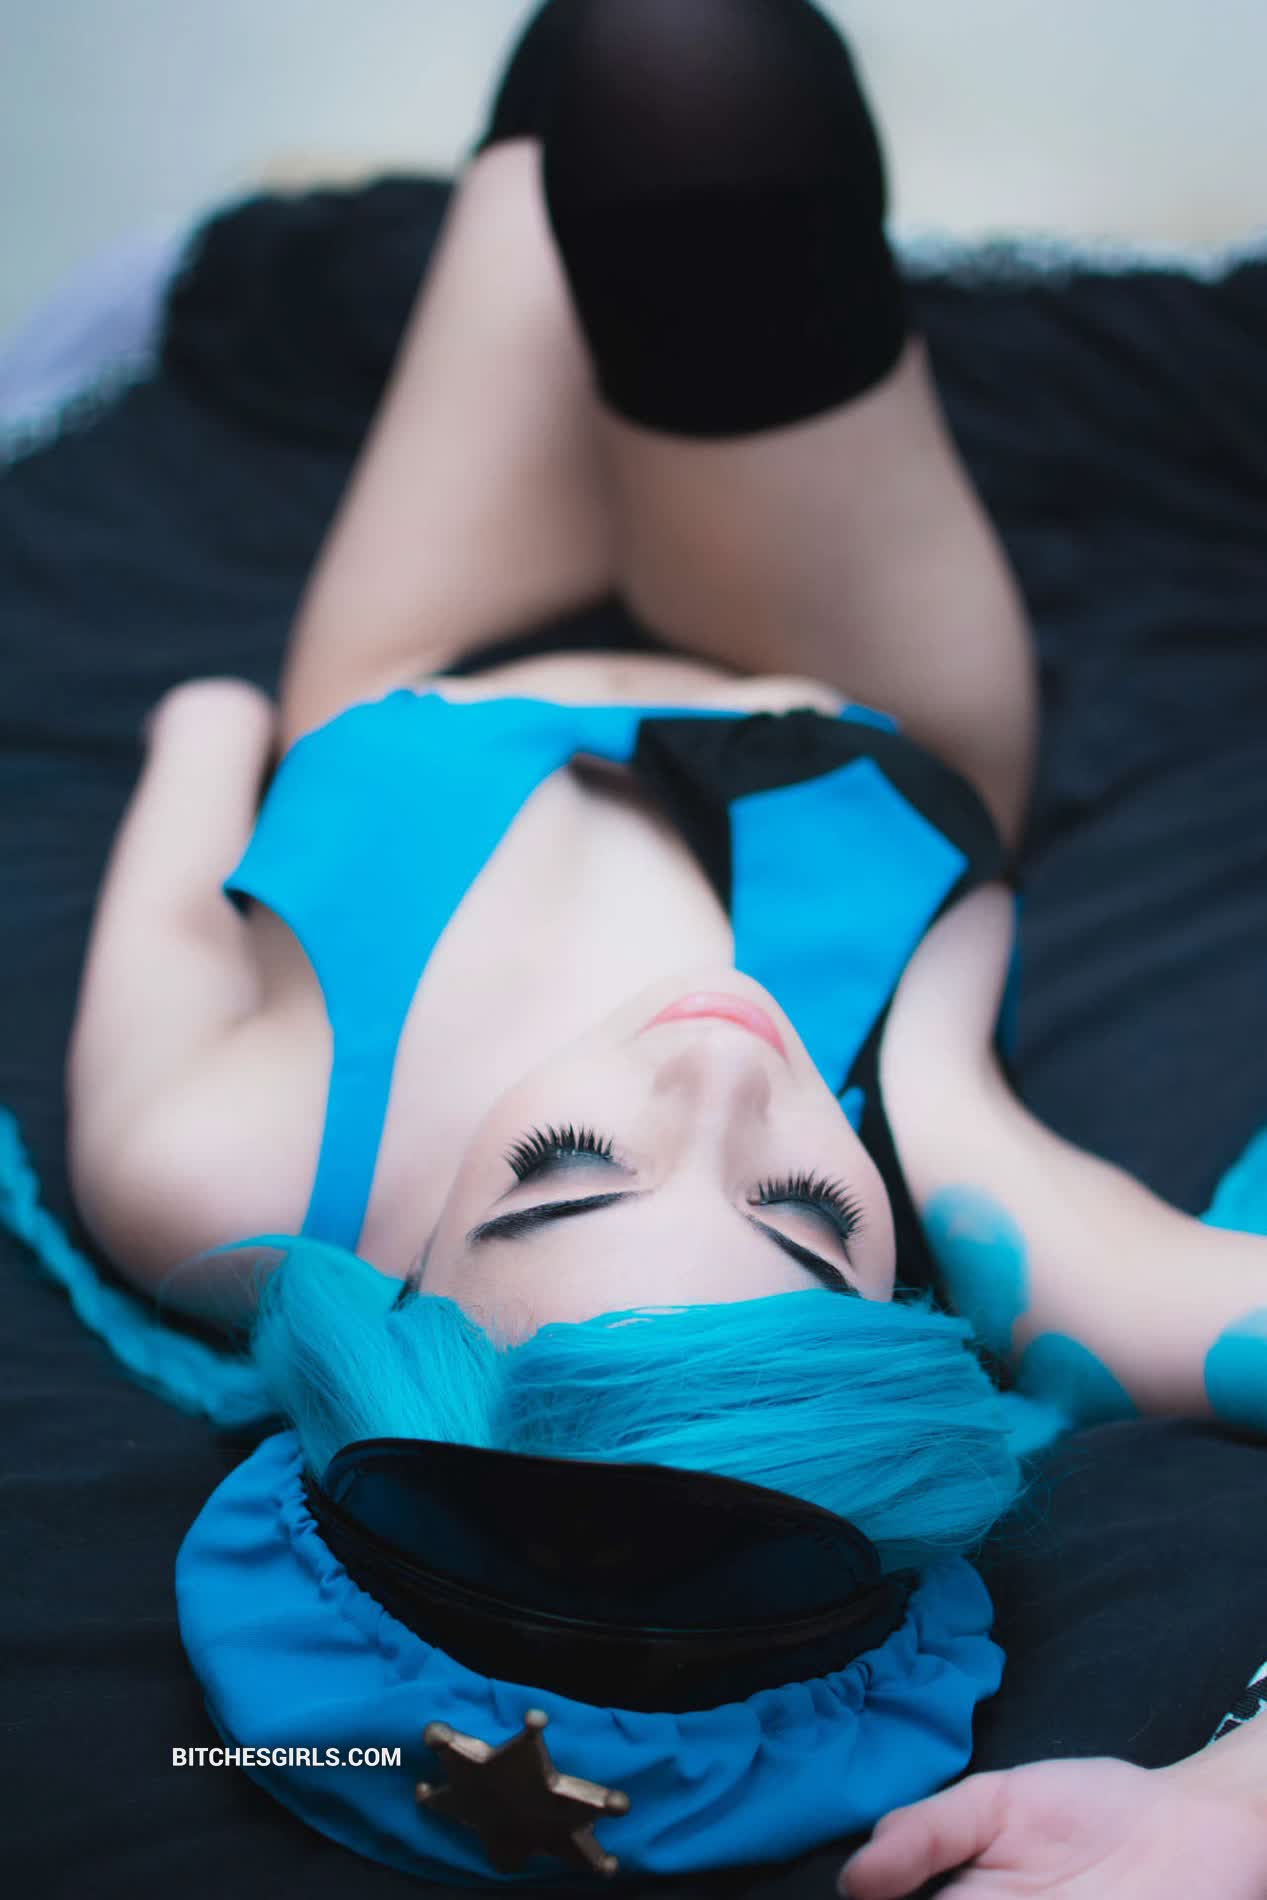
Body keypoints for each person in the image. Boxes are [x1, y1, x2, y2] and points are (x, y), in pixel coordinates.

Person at [59, 0, 1267, 1889]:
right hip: (841, 667)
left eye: (563, 1168)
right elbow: (1205, 1314)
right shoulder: (983, 1210)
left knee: (602, 64)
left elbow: (170, 882)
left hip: (437, 661)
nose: (718, 1062)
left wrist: (211, 732)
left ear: (407, 1291)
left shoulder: (207, 1176)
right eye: (806, 1213)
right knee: (696, 69)